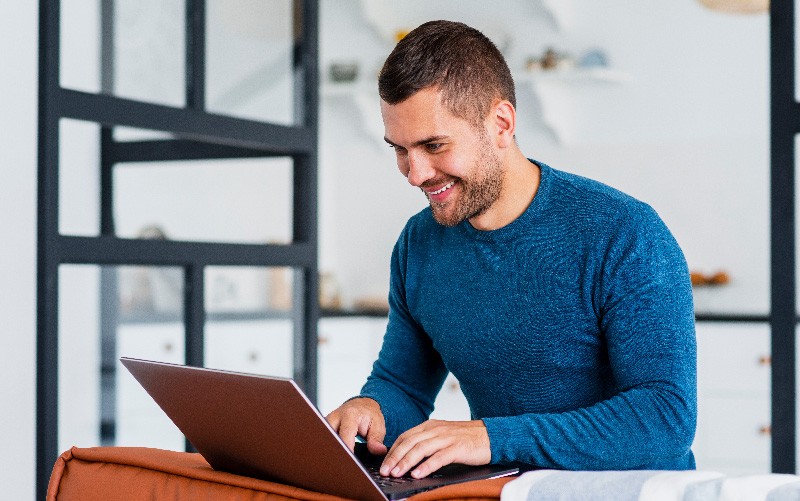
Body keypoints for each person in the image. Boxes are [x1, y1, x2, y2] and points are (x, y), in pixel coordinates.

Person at [326, 20, 696, 480]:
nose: (415, 174)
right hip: (511, 491)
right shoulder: (418, 245)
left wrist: (490, 438)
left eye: (434, 145)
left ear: (501, 123)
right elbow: (403, 384)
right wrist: (371, 408)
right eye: (399, 149)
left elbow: (665, 419)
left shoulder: (625, 233)